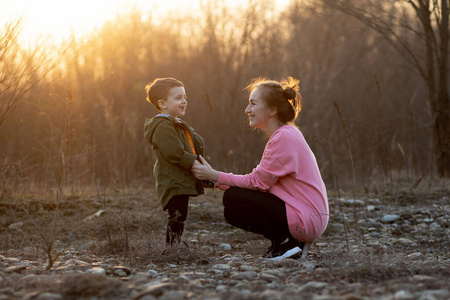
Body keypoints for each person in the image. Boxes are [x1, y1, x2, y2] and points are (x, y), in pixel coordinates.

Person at [192, 76, 329, 260]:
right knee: (233, 196)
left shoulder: (283, 138)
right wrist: (216, 182)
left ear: (272, 110)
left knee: (233, 200)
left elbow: (256, 183)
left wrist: (215, 175)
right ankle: (288, 243)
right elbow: (265, 184)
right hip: (308, 216)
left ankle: (287, 243)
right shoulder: (287, 133)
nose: (247, 110)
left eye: (253, 104)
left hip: (305, 219)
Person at [144, 77, 207, 247]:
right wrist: (197, 167)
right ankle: (171, 248)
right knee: (177, 214)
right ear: (163, 104)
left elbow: (193, 146)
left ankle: (173, 247)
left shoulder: (177, 123)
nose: (184, 101)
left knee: (181, 214)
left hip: (182, 178)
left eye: (185, 97)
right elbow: (175, 153)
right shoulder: (163, 126)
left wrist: (203, 169)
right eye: (178, 98)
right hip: (172, 180)